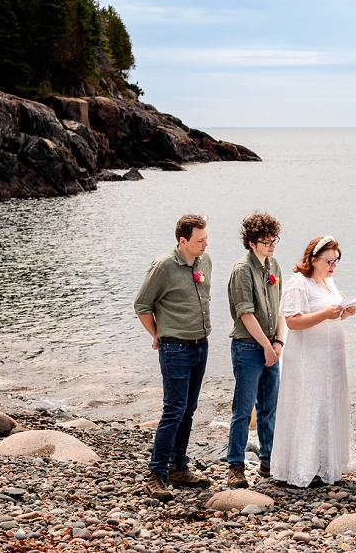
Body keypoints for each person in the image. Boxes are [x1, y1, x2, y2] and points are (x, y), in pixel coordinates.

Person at [133, 214, 215, 501]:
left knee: (189, 409)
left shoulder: (204, 262)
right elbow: (142, 304)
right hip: (175, 348)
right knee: (174, 410)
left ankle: (178, 467)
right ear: (183, 240)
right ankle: (155, 473)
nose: (206, 244)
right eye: (199, 240)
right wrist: (156, 334)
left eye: (206, 238)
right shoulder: (164, 266)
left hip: (201, 345)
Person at [271, 236, 356, 487]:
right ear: (313, 259)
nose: (333, 265)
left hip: (330, 358)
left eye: (336, 261)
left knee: (327, 405)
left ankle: (323, 464)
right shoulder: (299, 283)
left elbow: (332, 317)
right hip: (307, 358)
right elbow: (293, 321)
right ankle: (300, 468)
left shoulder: (328, 282)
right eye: (328, 261)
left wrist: (345, 311)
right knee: (309, 406)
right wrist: (325, 314)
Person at [226, 212, 287, 489]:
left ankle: (268, 460)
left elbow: (281, 309)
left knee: (269, 408)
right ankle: (235, 466)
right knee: (243, 408)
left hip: (271, 345)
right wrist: (266, 346)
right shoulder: (242, 270)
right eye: (266, 241)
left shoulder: (274, 265)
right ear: (251, 243)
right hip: (248, 347)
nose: (272, 244)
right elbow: (246, 314)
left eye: (274, 239)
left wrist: (278, 343)